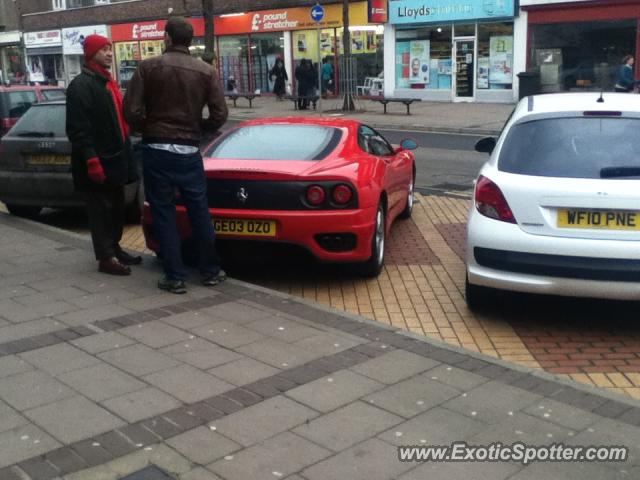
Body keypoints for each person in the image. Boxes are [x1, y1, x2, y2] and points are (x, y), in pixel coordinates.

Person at [124, 16, 228, 294]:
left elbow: (131, 111)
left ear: (168, 38)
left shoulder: (147, 68)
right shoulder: (206, 71)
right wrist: (199, 129)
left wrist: (147, 128)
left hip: (157, 149)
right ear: (190, 40)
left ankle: (175, 275)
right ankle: (210, 270)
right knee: (199, 210)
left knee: (163, 212)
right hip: (189, 151)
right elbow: (220, 114)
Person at [66, 34, 141, 276]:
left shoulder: (107, 82)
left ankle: (114, 247)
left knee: (116, 208)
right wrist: (91, 159)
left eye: (110, 49)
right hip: (97, 161)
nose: (109, 53)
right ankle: (105, 257)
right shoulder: (81, 86)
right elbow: (78, 129)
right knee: (100, 211)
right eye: (103, 50)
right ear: (91, 54)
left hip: (116, 157)